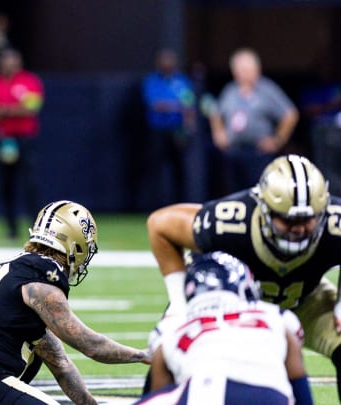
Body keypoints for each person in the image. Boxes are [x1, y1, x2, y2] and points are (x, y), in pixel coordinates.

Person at [146, 153, 341, 401]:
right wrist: (178, 302)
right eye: (288, 219)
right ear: (265, 209)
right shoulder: (229, 221)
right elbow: (160, 225)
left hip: (305, 297)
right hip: (228, 302)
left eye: (308, 218)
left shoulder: (336, 222)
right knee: (169, 345)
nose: (299, 228)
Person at [0, 200, 151, 405]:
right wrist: (143, 355)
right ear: (73, 243)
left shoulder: (21, 269)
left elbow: (61, 365)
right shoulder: (41, 277)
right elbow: (91, 346)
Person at [136, 251, 312, 404]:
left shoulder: (172, 325)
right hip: (269, 396)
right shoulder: (275, 315)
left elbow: (157, 390)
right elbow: (298, 381)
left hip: (204, 392)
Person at [208, 48, 299, 193]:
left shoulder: (267, 90)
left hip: (258, 153)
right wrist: (219, 133)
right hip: (233, 151)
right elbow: (216, 112)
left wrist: (277, 140)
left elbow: (290, 114)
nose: (244, 73)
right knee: (233, 194)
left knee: (257, 194)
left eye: (248, 69)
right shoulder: (230, 90)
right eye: (240, 69)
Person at [0, 48, 43, 239]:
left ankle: (36, 226)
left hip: (25, 138)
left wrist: (6, 111)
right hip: (4, 140)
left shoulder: (29, 81)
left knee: (30, 183)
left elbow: (33, 107)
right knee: (7, 184)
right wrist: (9, 111)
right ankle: (11, 228)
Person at [141, 48, 196, 206]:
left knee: (180, 171)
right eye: (164, 61)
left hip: (178, 131)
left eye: (170, 61)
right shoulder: (152, 81)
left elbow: (189, 103)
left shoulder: (181, 81)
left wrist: (188, 124)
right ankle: (153, 205)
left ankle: (180, 205)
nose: (168, 64)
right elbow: (155, 104)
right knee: (155, 171)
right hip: (158, 132)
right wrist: (178, 107)